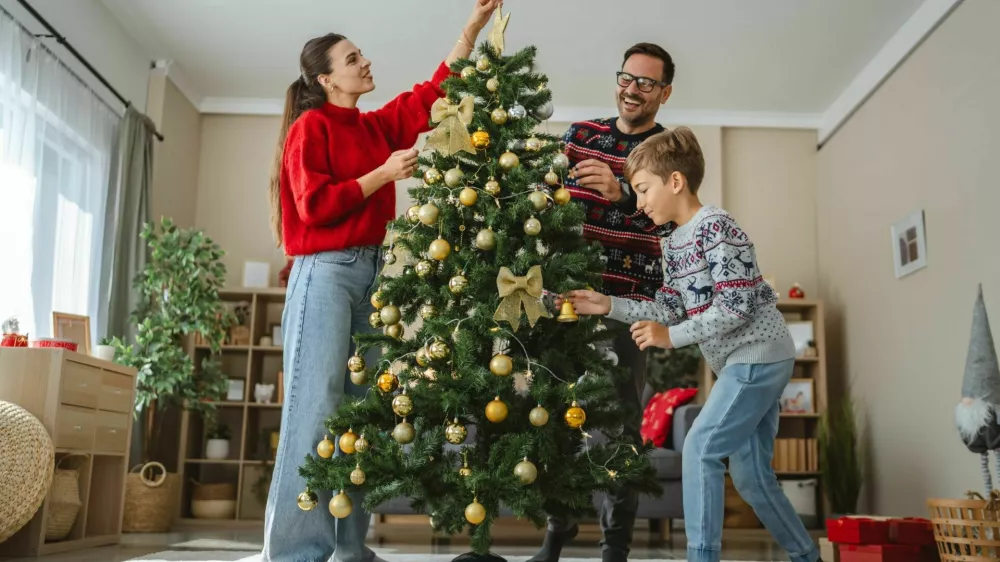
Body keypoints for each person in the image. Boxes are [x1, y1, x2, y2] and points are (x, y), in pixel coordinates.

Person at [263, 2, 500, 560]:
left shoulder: (373, 126)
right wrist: (382, 174)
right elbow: (316, 205)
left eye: (361, 54)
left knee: (363, 412)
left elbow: (432, 93)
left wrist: (473, 28)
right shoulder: (311, 127)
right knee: (314, 411)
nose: (365, 61)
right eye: (352, 58)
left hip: (371, 272)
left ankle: (350, 548)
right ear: (325, 79)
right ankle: (298, 552)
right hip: (324, 273)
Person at [563, 127, 821, 562]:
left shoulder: (715, 226)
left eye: (643, 190)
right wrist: (608, 304)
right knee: (752, 476)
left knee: (700, 447)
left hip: (757, 356)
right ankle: (806, 556)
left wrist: (672, 337)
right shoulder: (673, 240)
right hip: (741, 363)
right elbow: (668, 308)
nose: (638, 202)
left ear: (676, 182)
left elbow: (735, 305)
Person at [531, 43, 676, 562]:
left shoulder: (671, 152)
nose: (632, 89)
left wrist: (621, 195)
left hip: (626, 309)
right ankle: (557, 532)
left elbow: (673, 231)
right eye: (626, 78)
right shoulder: (580, 136)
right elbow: (550, 209)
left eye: (645, 83)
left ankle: (616, 546)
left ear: (664, 93)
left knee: (616, 429)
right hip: (567, 303)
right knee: (556, 421)